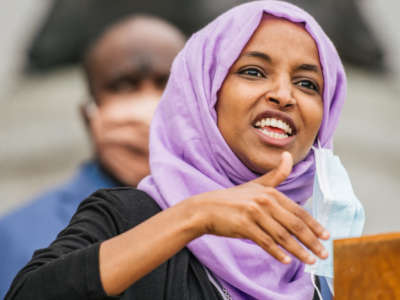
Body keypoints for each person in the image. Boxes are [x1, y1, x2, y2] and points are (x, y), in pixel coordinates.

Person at [6, 1, 363, 299]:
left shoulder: (317, 261)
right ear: (205, 95)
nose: (284, 95)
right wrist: (194, 217)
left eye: (307, 83)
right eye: (253, 71)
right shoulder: (127, 217)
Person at [0, 15, 185, 298]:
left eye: (166, 82)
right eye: (123, 85)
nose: (149, 106)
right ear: (89, 115)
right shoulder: (18, 236)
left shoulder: (237, 215)